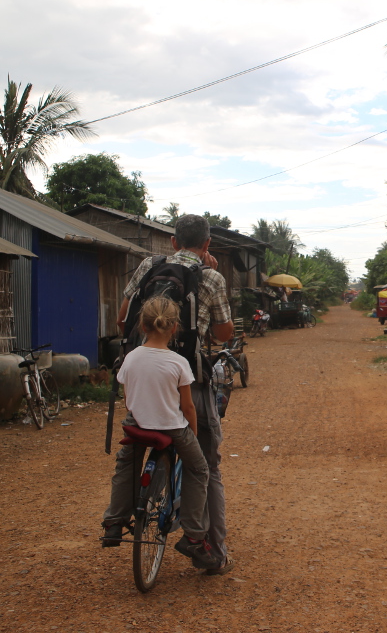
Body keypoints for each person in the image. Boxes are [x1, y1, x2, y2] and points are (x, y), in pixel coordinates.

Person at [116, 214, 235, 573]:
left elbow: (123, 318)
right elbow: (225, 333)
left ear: (172, 242)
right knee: (207, 466)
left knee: (132, 449)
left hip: (147, 385)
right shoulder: (211, 276)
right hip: (190, 382)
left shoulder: (148, 266)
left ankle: (116, 517)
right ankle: (208, 547)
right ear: (207, 245)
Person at [101, 296, 217, 567]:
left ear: (141, 325)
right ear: (174, 328)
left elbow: (129, 400)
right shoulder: (178, 362)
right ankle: (194, 537)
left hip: (137, 426)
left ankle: (114, 523)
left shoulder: (130, 358)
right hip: (173, 428)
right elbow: (187, 408)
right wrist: (194, 436)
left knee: (126, 463)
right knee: (198, 470)